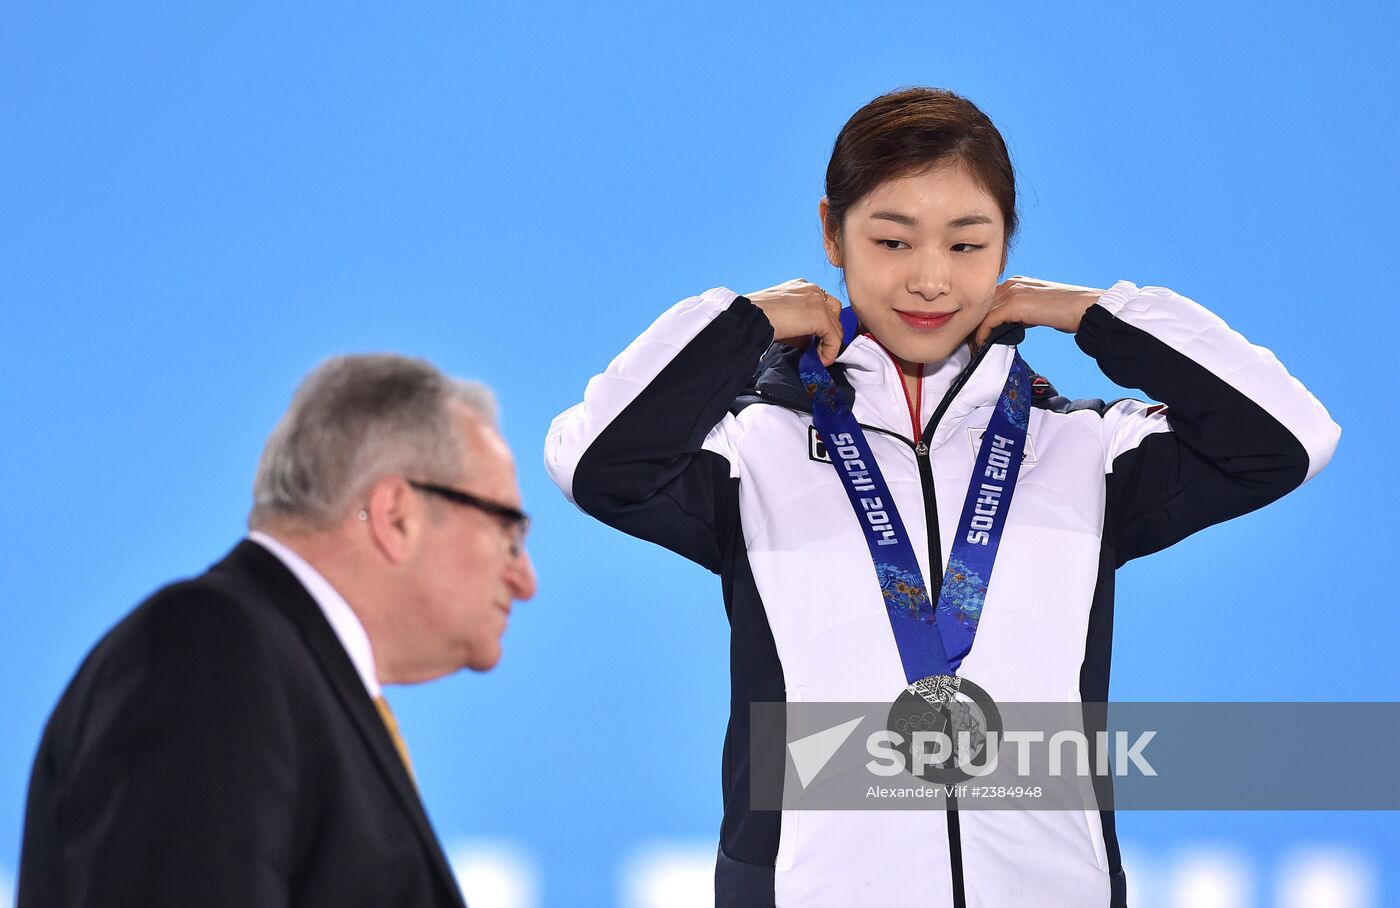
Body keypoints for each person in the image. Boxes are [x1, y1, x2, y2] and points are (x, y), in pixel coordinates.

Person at [544, 88, 1339, 907]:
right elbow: (593, 463)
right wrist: (742, 323)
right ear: (831, 232)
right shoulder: (754, 449)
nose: (930, 279)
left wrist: (1094, 314)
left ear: (1006, 250)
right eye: (892, 240)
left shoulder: (1082, 450)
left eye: (967, 244)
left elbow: (1290, 438)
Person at [18, 354, 537, 908]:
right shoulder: (209, 650)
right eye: (509, 532)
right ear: (395, 516)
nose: (524, 578)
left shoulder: (281, 671)